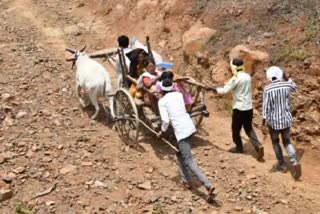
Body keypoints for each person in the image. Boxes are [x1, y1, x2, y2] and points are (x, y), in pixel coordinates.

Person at [157, 79, 215, 196]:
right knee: (180, 154)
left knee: (188, 160)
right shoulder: (178, 95)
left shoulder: (162, 101)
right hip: (189, 127)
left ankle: (207, 184)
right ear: (172, 87)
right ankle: (186, 180)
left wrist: (161, 131)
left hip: (181, 131)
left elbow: (165, 120)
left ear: (162, 90)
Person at [215, 58, 264, 160]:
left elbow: (224, 90)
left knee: (235, 129)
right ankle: (258, 145)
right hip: (248, 107)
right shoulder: (247, 76)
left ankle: (239, 147)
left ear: (234, 67)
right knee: (248, 128)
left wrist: (215, 89)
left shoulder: (235, 78)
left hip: (239, 108)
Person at [262, 66, 301, 179]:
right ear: (280, 74)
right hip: (286, 120)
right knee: (287, 141)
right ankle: (294, 161)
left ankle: (282, 165)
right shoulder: (287, 85)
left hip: (273, 122)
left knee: (275, 142)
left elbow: (266, 107)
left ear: (269, 76)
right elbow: (295, 86)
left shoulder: (267, 89)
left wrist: (263, 122)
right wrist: (287, 77)